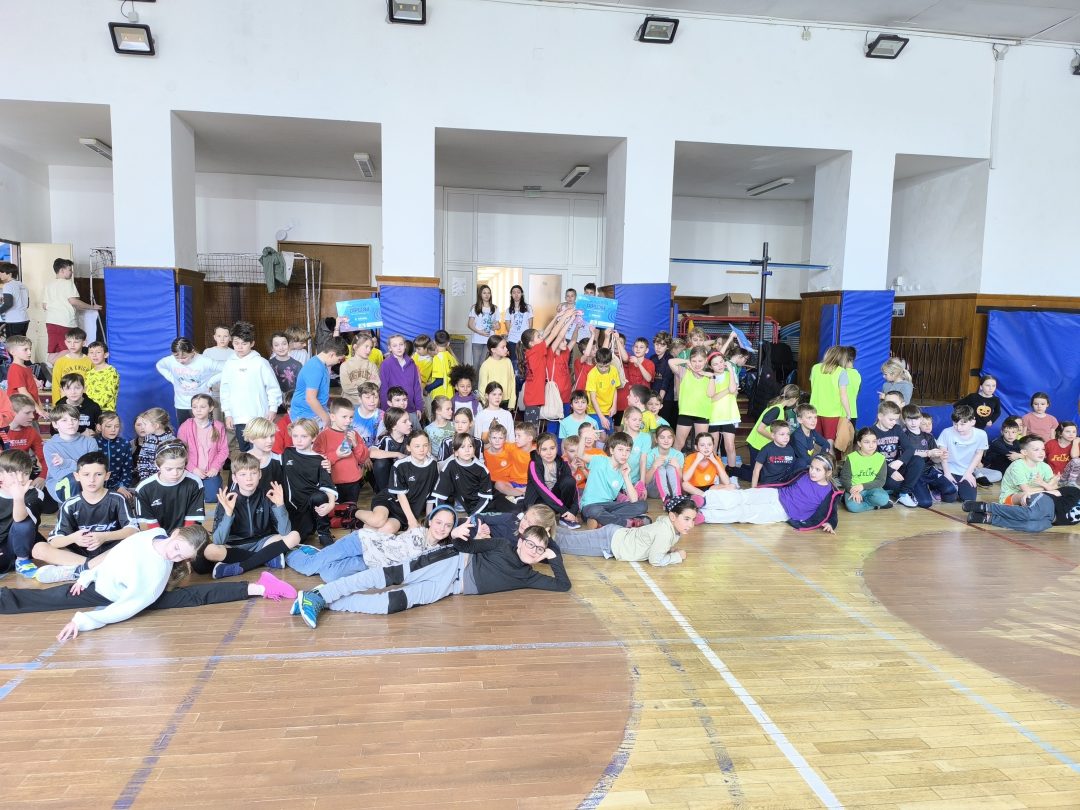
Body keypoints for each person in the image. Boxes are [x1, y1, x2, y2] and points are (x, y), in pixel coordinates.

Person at [0, 525, 296, 639]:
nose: (174, 555)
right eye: (177, 548)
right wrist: (89, 574)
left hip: (124, 595)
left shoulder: (154, 577)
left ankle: (259, 587)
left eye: (182, 557)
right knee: (50, 597)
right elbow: (115, 556)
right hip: (105, 584)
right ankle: (259, 586)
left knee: (195, 597)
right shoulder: (150, 535)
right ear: (175, 533)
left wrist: (85, 621)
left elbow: (126, 608)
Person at [292, 519, 569, 626]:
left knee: (393, 604)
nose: (532, 551)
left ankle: (322, 600)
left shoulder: (529, 576)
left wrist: (554, 556)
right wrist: (458, 535)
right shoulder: (501, 545)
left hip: (451, 588)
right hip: (450, 562)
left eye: (539, 549)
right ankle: (321, 595)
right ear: (520, 541)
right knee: (387, 577)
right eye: (530, 544)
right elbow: (466, 546)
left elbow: (562, 585)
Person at [288, 503, 465, 582]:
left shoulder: (438, 550)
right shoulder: (419, 532)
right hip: (361, 542)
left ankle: (316, 554)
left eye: (448, 526)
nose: (442, 528)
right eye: (439, 522)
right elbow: (418, 556)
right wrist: (453, 534)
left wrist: (455, 535)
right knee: (309, 567)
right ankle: (287, 550)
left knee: (328, 575)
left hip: (368, 562)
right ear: (430, 521)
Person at [32, 451, 138, 583]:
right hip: (81, 554)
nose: (92, 480)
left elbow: (133, 530)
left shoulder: (117, 499)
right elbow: (54, 541)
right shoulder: (70, 504)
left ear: (107, 476)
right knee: (39, 549)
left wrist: (104, 536)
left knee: (138, 544)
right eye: (86, 475)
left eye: (98, 474)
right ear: (77, 476)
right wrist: (74, 538)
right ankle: (95, 568)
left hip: (110, 550)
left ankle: (78, 571)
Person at [198, 454, 302, 578]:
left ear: (260, 474)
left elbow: (285, 532)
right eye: (243, 474)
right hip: (234, 546)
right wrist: (228, 514)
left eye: (253, 473)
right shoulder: (227, 499)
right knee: (210, 551)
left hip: (262, 543)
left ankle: (242, 566)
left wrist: (280, 506)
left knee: (294, 536)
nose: (249, 479)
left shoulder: (267, 496)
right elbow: (218, 541)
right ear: (234, 478)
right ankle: (266, 559)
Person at [701, 455, 840, 532]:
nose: (812, 472)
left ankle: (705, 515)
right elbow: (785, 481)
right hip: (776, 494)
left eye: (818, 470)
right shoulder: (803, 473)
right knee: (744, 495)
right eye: (812, 467)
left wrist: (831, 523)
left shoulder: (830, 492)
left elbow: (831, 512)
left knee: (744, 512)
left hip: (782, 511)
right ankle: (705, 501)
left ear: (828, 473)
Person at [557, 495, 697, 566]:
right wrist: (677, 557)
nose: (690, 524)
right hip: (611, 542)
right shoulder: (665, 532)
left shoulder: (667, 524)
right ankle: (545, 535)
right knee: (565, 544)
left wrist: (668, 549)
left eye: (693, 519)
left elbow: (653, 542)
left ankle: (549, 529)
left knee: (572, 536)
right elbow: (655, 561)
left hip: (615, 535)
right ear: (672, 516)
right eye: (686, 519)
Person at [355, 430, 437, 534]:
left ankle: (358, 524)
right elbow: (400, 495)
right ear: (408, 447)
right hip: (390, 500)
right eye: (417, 446)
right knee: (378, 520)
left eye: (425, 445)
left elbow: (431, 495)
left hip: (406, 511)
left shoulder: (433, 465)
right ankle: (352, 512)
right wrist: (411, 521)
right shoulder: (400, 465)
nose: (422, 449)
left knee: (387, 529)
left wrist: (429, 520)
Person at [220, 321, 282, 452]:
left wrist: (273, 408)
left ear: (252, 343)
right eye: (236, 343)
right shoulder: (229, 364)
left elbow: (273, 388)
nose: (240, 347)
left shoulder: (260, 362)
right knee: (245, 450)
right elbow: (225, 390)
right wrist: (228, 413)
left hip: (259, 415)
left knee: (261, 449)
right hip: (238, 416)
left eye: (244, 343)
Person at [281, 418, 338, 545]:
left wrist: (331, 504)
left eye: (304, 436)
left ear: (313, 437)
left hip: (310, 506)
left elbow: (328, 485)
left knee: (319, 496)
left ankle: (324, 532)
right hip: (291, 507)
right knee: (297, 539)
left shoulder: (320, 460)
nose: (299, 440)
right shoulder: (287, 453)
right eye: (295, 436)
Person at [134, 440, 205, 535]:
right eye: (169, 469)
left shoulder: (195, 483)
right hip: (156, 535)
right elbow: (148, 524)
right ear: (157, 465)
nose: (175, 473)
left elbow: (192, 520)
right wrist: (163, 540)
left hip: (186, 534)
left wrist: (181, 539)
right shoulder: (143, 489)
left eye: (180, 468)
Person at [520, 307, 577, 423]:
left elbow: (547, 332)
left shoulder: (532, 351)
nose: (542, 337)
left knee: (532, 429)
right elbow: (554, 334)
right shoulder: (536, 351)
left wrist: (557, 317)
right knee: (530, 429)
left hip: (533, 397)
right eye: (538, 337)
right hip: (533, 398)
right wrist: (565, 317)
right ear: (531, 343)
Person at [580, 432, 648, 528]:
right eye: (620, 449)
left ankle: (602, 522)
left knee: (642, 505)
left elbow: (634, 500)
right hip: (591, 505)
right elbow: (580, 455)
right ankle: (626, 523)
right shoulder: (600, 460)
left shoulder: (624, 469)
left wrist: (626, 476)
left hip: (610, 506)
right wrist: (583, 437)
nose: (624, 454)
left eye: (628, 450)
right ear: (612, 450)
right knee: (594, 511)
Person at [313, 396, 371, 506]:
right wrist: (336, 455)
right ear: (333, 417)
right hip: (332, 483)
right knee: (335, 512)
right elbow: (317, 462)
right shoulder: (323, 436)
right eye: (344, 417)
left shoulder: (353, 433)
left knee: (350, 510)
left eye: (351, 417)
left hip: (353, 481)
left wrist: (355, 444)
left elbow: (363, 458)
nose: (348, 421)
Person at [0, 449, 47, 579]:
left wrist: (18, 498)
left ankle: (22, 561)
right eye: (13, 474)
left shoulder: (35, 493)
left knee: (24, 521)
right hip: (3, 547)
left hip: (25, 544)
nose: (20, 479)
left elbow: (19, 519)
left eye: (25, 473)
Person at [155, 337, 224, 425]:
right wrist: (172, 379)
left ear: (192, 351)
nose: (180, 361)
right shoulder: (170, 360)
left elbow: (227, 369)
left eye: (184, 357)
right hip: (181, 404)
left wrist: (210, 382)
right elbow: (159, 365)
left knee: (203, 430)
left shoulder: (204, 361)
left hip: (201, 405)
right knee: (184, 430)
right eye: (177, 357)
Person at [898, 404, 956, 507]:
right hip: (914, 475)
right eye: (909, 420)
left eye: (916, 419)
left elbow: (935, 460)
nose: (913, 423)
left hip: (929, 471)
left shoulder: (928, 437)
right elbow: (908, 453)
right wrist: (928, 453)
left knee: (951, 491)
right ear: (904, 420)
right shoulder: (903, 435)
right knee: (925, 503)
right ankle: (915, 491)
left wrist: (940, 457)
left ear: (920, 419)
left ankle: (931, 488)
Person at [177, 394, 229, 505]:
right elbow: (180, 452)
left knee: (213, 498)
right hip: (190, 471)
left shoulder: (218, 426)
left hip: (209, 472)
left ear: (210, 408)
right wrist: (193, 469)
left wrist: (215, 467)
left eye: (202, 407)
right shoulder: (185, 426)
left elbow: (223, 450)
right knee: (187, 498)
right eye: (194, 407)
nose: (198, 410)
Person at [43, 258, 100, 358]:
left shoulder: (49, 285)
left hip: (50, 322)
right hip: (65, 322)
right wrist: (92, 307)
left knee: (54, 350)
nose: (71, 272)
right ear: (62, 270)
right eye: (69, 270)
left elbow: (44, 306)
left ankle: (50, 365)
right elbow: (74, 301)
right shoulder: (68, 283)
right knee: (69, 349)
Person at [937, 404, 994, 503]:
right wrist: (947, 473)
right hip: (948, 469)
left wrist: (969, 473)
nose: (958, 428)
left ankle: (959, 487)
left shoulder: (981, 434)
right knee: (949, 499)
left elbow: (978, 454)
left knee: (968, 499)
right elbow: (943, 455)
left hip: (965, 470)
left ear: (972, 422)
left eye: (962, 424)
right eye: (955, 424)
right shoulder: (946, 432)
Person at [43, 404, 98, 505]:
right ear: (55, 424)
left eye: (74, 419)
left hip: (87, 481)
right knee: (73, 482)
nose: (70, 423)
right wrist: (78, 466)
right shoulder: (50, 446)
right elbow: (57, 474)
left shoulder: (90, 442)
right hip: (61, 484)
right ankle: (70, 511)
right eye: (64, 420)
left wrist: (67, 463)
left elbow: (93, 468)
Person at [432, 432, 495, 518]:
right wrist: (441, 514)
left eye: (470, 446)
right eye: (462, 447)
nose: (467, 450)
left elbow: (484, 499)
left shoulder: (482, 470)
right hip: (461, 501)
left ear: (474, 450)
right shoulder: (450, 465)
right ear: (456, 452)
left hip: (479, 506)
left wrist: (472, 516)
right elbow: (440, 495)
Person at [964, 485, 1080, 531]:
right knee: (1031, 514)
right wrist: (1028, 494)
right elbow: (1052, 492)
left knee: (1031, 527)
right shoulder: (1075, 491)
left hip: (1051, 520)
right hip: (1048, 502)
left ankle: (988, 518)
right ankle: (985, 506)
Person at [523, 433, 579, 527]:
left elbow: (574, 488)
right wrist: (564, 510)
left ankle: (564, 518)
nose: (549, 453)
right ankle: (563, 515)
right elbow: (542, 490)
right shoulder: (533, 464)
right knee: (539, 517)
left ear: (557, 448)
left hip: (556, 503)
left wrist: (573, 511)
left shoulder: (562, 463)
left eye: (552, 448)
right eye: (544, 449)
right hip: (539, 501)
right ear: (538, 451)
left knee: (569, 481)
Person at [809, 345, 860, 449]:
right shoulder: (841, 371)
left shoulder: (815, 367)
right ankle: (830, 459)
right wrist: (848, 414)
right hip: (832, 412)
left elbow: (813, 386)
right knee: (829, 444)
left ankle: (816, 459)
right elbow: (843, 395)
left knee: (816, 442)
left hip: (814, 410)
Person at [290, 336, 347, 424]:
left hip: (314, 412)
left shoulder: (321, 364)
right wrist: (326, 418)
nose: (339, 362)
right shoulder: (315, 367)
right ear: (332, 354)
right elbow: (310, 398)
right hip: (306, 415)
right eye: (339, 359)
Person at [840, 428, 892, 512]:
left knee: (883, 498)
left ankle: (867, 503)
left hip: (872, 489)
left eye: (874, 442)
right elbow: (844, 478)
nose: (871, 445)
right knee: (853, 507)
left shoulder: (881, 458)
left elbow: (881, 481)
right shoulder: (851, 458)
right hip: (854, 489)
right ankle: (875, 506)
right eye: (866, 442)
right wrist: (852, 491)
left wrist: (863, 486)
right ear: (859, 443)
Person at [671, 347, 712, 452]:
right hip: (686, 413)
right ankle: (673, 463)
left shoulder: (709, 376)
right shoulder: (684, 372)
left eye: (700, 361)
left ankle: (699, 463)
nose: (697, 364)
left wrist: (711, 377)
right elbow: (671, 362)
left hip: (702, 414)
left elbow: (711, 394)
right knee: (679, 443)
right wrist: (686, 361)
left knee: (701, 445)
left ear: (705, 360)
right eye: (694, 361)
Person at [999, 435, 1058, 505]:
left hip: (1036, 494)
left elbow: (1055, 487)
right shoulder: (1017, 466)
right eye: (1036, 450)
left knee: (1058, 492)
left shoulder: (1045, 466)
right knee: (1027, 495)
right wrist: (1047, 486)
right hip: (1010, 498)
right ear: (1024, 452)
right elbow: (1027, 490)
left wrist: (1044, 484)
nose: (1041, 453)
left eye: (1043, 449)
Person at [3, 396, 47, 489]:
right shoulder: (2, 431)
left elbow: (44, 457)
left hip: (23, 474)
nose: (32, 416)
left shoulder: (31, 431)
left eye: (33, 412)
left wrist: (43, 476)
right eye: (27, 413)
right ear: (12, 412)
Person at [378, 334, 423, 420]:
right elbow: (383, 389)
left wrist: (418, 407)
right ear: (390, 348)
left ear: (405, 345)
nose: (399, 348)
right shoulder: (386, 364)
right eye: (395, 346)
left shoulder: (411, 363)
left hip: (411, 409)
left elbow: (416, 387)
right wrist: (385, 410)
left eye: (401, 344)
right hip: (394, 411)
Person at [681, 432, 734, 502]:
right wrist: (697, 460)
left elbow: (726, 482)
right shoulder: (690, 458)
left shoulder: (716, 458)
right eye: (702, 445)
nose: (706, 447)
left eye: (709, 444)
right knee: (684, 484)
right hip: (693, 488)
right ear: (696, 447)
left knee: (732, 486)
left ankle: (704, 496)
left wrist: (715, 462)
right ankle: (707, 496)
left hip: (710, 487)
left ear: (713, 446)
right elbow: (685, 479)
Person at [96, 410, 134, 502]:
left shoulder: (124, 444)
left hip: (117, 486)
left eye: (116, 426)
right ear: (99, 427)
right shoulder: (92, 442)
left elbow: (128, 468)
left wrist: (122, 486)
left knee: (127, 499)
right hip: (96, 486)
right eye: (108, 426)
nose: (113, 429)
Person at [5, 335, 46, 418]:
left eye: (30, 349)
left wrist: (40, 408)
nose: (29, 352)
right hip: (20, 412)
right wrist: (37, 408)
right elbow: (23, 392)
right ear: (13, 352)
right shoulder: (15, 369)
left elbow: (33, 391)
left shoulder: (26, 368)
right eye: (25, 350)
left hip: (29, 409)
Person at [49, 327, 91, 405]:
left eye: (76, 342)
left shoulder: (90, 361)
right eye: (69, 342)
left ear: (84, 343)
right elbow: (56, 385)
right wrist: (56, 405)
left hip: (86, 402)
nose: (72, 345)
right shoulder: (60, 362)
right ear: (65, 342)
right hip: (66, 403)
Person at [643, 425, 685, 501]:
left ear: (673, 439)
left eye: (669, 437)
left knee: (671, 468)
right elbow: (646, 481)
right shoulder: (650, 455)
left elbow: (682, 481)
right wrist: (654, 466)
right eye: (662, 437)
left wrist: (678, 467)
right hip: (654, 491)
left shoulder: (678, 455)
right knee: (660, 468)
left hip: (672, 490)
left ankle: (677, 497)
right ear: (656, 439)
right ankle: (666, 498)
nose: (666, 440)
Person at [134, 407, 176, 484]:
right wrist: (144, 478)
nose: (143, 427)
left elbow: (172, 465)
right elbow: (142, 460)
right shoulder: (148, 439)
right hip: (148, 480)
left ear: (156, 426)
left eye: (145, 424)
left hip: (166, 480)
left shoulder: (171, 442)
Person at [750, 421, 797, 488]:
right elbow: (756, 470)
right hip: (769, 484)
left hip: (784, 483)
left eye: (788, 434)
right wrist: (753, 488)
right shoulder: (766, 449)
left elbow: (792, 468)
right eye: (782, 434)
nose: (786, 437)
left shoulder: (790, 449)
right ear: (773, 435)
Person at [339, 331, 381, 404]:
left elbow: (377, 384)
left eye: (371, 347)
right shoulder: (345, 365)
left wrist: (356, 385)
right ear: (355, 347)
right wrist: (367, 384)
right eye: (366, 346)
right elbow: (347, 388)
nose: (369, 350)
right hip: (349, 405)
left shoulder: (372, 366)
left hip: (367, 405)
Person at [478, 335, 517, 413]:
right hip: (491, 404)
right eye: (503, 347)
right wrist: (487, 404)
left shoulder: (508, 362)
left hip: (506, 402)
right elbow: (482, 388)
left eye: (506, 346)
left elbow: (512, 382)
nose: (506, 349)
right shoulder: (486, 365)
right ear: (493, 350)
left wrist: (512, 402)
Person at [467, 284, 502, 368]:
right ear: (480, 294)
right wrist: (480, 332)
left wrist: (495, 327)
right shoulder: (475, 307)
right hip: (477, 340)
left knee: (484, 364)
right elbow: (470, 324)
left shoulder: (495, 308)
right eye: (484, 293)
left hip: (490, 340)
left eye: (488, 293)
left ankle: (483, 378)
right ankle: (475, 378)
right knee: (476, 364)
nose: (487, 295)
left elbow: (498, 325)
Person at [268, 331, 304, 407]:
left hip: (292, 404)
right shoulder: (268, 365)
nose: (281, 347)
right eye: (276, 345)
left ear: (289, 345)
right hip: (273, 405)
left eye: (284, 344)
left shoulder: (297, 365)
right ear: (272, 348)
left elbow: (301, 388)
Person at [85, 341, 119, 412]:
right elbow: (86, 392)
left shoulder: (111, 371)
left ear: (106, 355)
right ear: (88, 355)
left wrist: (93, 408)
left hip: (106, 413)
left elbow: (109, 393)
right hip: (91, 411)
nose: (94, 355)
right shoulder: (89, 373)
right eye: (91, 352)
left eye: (98, 352)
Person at [0, 261, 30, 337]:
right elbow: (27, 304)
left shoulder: (8, 285)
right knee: (21, 342)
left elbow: (8, 304)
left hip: (14, 320)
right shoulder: (23, 285)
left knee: (12, 343)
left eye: (2, 272)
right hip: (25, 319)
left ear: (9, 274)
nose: (0, 274)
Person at [504, 284, 533, 363]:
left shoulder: (528, 307)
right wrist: (514, 332)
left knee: (525, 361)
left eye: (518, 292)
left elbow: (530, 325)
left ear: (522, 294)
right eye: (514, 292)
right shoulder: (509, 310)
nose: (516, 294)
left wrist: (528, 337)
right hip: (512, 340)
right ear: (511, 295)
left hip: (524, 340)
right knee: (514, 361)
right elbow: (508, 326)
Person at [426, 330, 457, 402]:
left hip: (440, 396)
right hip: (450, 394)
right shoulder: (451, 356)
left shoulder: (437, 357)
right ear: (448, 343)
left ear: (434, 342)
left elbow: (440, 380)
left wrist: (427, 389)